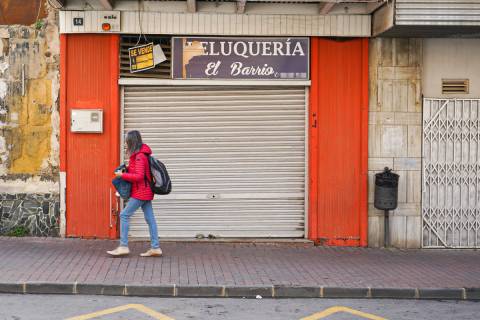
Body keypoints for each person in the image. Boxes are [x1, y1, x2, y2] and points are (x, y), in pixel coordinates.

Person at [107, 130, 162, 257]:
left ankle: (123, 246)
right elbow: (139, 172)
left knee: (124, 215)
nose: (125, 143)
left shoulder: (139, 156)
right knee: (150, 219)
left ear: (132, 141)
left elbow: (139, 176)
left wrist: (123, 175)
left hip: (141, 192)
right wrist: (127, 168)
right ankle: (155, 247)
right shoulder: (141, 155)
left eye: (127, 140)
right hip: (145, 191)